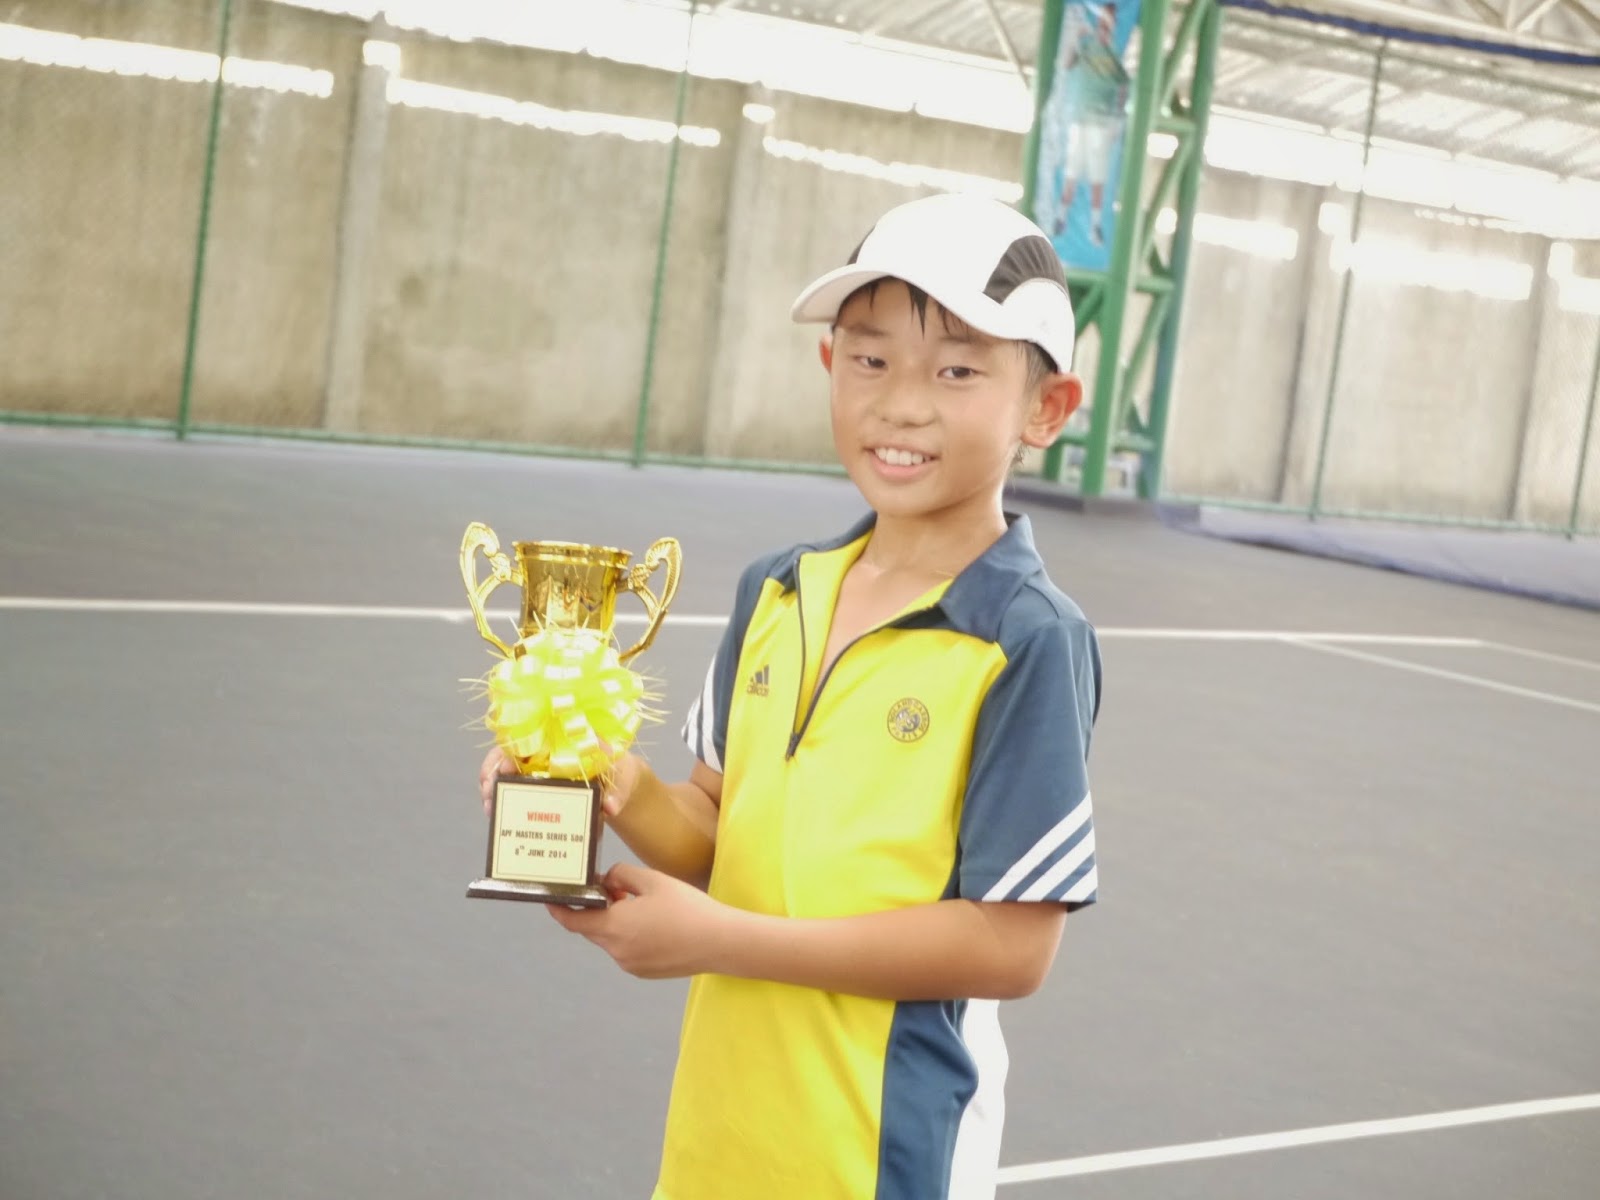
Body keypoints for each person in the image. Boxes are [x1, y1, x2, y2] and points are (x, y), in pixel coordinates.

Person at [478, 192, 1103, 1200]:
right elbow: (716, 830)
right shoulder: (776, 590)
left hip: (884, 1158)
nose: (902, 404)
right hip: (720, 1141)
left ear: (1046, 409)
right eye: (870, 359)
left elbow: (1011, 945)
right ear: (828, 365)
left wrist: (719, 939)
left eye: (956, 370)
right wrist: (610, 779)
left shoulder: (1026, 638)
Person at [1047, 1, 1130, 246]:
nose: (1104, 28)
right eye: (1102, 23)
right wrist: (1075, 36)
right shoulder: (1086, 46)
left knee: (1096, 177)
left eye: (1108, 25)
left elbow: (1123, 87)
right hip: (1080, 121)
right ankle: (1061, 217)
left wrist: (1116, 120)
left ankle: (1094, 226)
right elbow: (1065, 63)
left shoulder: (1113, 57)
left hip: (1099, 125)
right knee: (1072, 173)